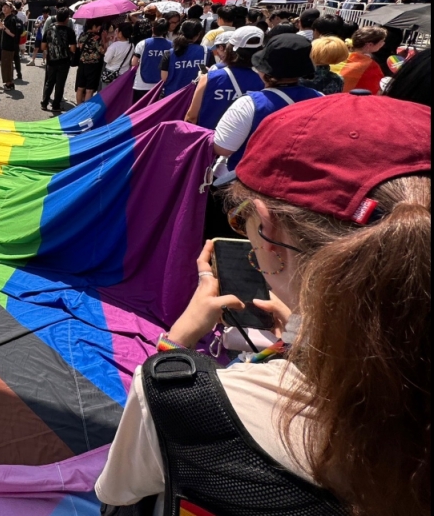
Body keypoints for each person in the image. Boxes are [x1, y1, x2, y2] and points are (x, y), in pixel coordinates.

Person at [96, 92, 431, 516]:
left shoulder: (180, 397)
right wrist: (298, 339)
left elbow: (117, 493)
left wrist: (174, 348)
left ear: (268, 232)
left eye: (241, 221)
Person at [214, 34, 321, 175]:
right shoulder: (321, 99)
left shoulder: (248, 104)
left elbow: (223, 148)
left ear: (263, 70)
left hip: (248, 183)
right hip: (297, 183)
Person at [186, 27, 265, 130]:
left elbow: (191, 117)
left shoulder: (208, 78)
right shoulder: (264, 82)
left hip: (207, 138)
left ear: (229, 49)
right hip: (244, 142)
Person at [40, 7, 77, 114]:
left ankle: (44, 102)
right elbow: (73, 49)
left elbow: (43, 47)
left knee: (49, 81)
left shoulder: (49, 30)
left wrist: (52, 48)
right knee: (60, 83)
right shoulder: (69, 31)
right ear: (67, 19)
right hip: (64, 61)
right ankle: (56, 105)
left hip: (51, 60)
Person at [160, 20, 206, 96]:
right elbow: (207, 74)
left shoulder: (169, 53)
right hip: (196, 96)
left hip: (172, 96)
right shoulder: (206, 51)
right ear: (198, 35)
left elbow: (164, 78)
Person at [131, 18, 172, 102]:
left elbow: (134, 63)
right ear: (166, 30)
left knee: (138, 112)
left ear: (153, 28)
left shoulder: (142, 43)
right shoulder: (171, 45)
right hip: (161, 85)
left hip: (141, 84)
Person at [341, 26, 386, 95]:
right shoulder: (371, 66)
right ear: (370, 45)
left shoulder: (340, 55)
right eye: (382, 41)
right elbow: (375, 89)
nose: (383, 43)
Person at [74, 19, 104, 104]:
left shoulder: (82, 35)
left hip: (82, 63)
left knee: (80, 88)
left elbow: (79, 47)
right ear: (94, 26)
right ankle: (86, 110)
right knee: (89, 90)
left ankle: (78, 107)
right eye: (98, 27)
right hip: (93, 65)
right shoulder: (97, 38)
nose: (99, 28)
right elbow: (101, 51)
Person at [100, 22, 134, 90]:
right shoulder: (131, 45)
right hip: (124, 74)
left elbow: (106, 60)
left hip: (110, 74)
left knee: (106, 95)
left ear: (120, 33)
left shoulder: (114, 46)